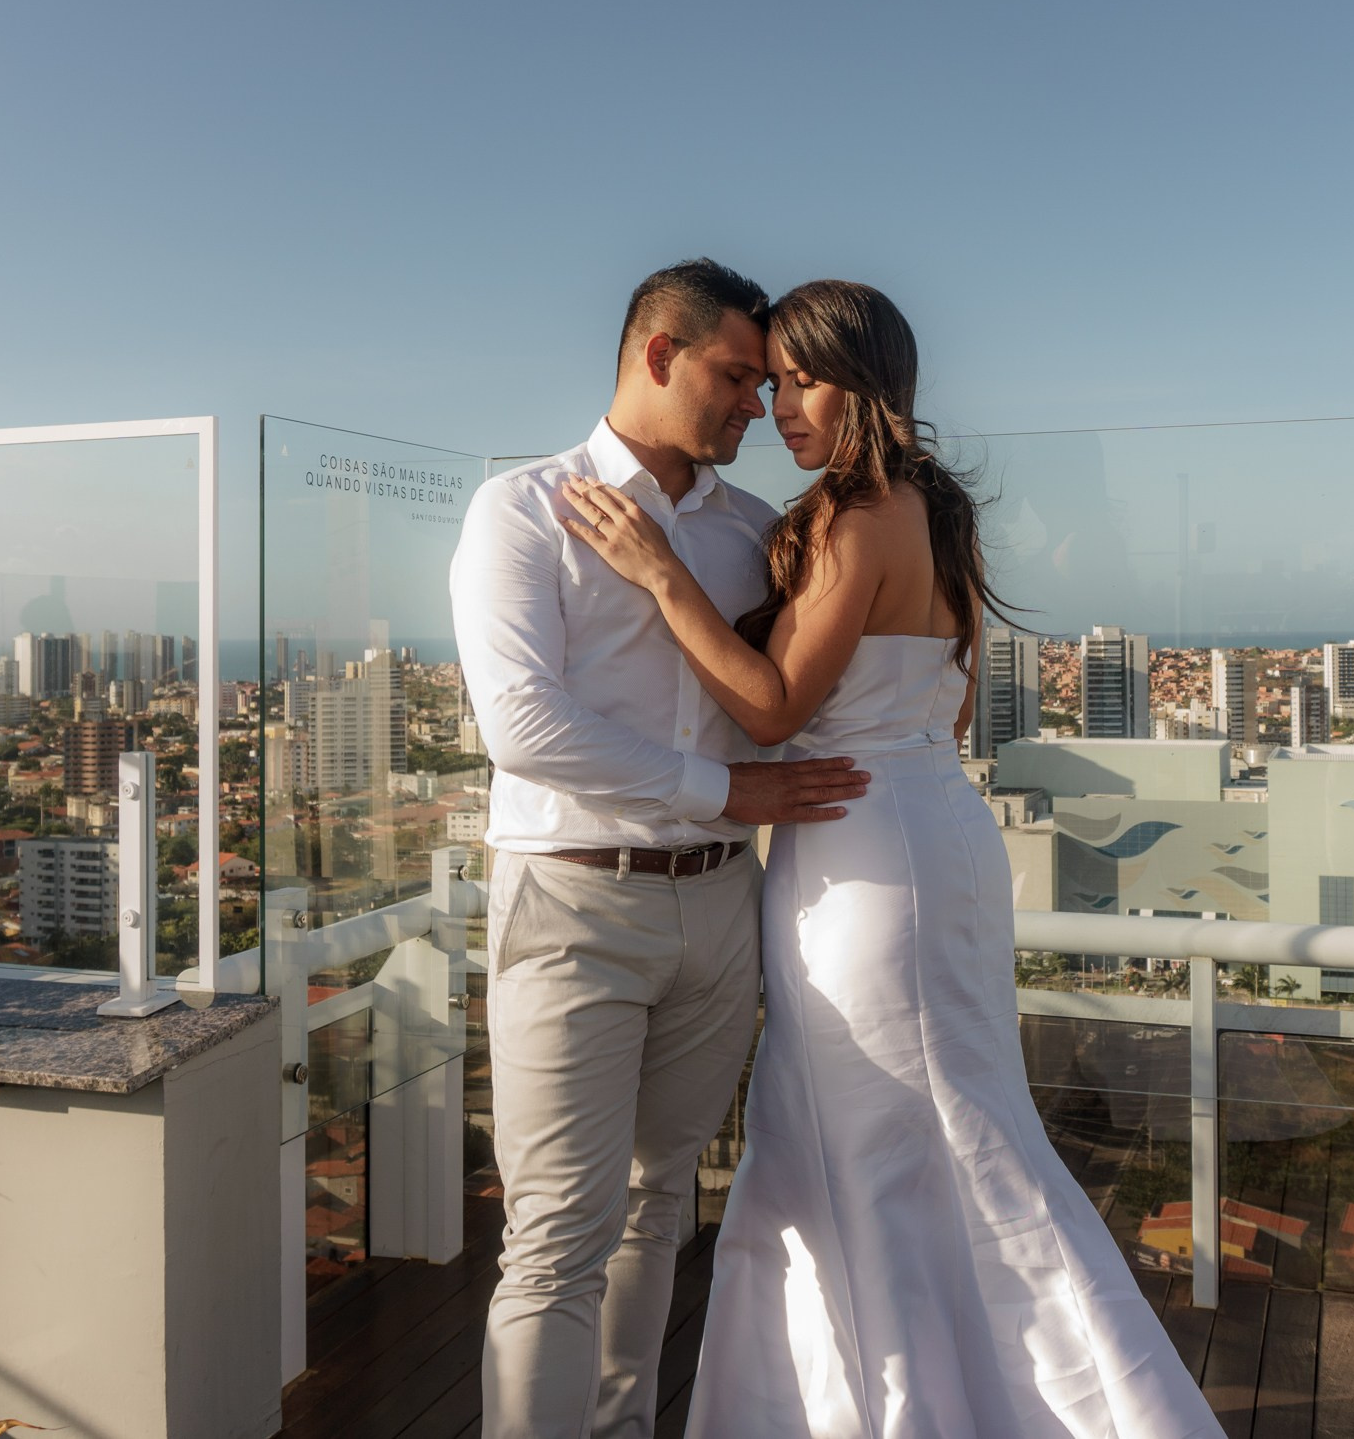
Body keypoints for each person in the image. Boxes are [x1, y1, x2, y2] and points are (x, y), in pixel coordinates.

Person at [560, 279, 1223, 1438]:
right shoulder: (937, 514)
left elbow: (769, 709)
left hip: (857, 852)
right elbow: (947, 716)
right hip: (932, 834)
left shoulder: (855, 517)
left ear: (865, 386)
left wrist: (660, 571)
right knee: (934, 1129)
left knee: (878, 1140)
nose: (779, 408)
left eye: (802, 382)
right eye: (767, 383)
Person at [451, 258, 878, 1439]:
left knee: (658, 1210)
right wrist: (729, 792)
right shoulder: (520, 509)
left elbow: (805, 694)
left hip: (719, 912)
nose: (759, 405)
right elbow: (522, 730)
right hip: (573, 903)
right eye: (738, 376)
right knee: (553, 1238)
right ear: (657, 354)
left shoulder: (756, 533)